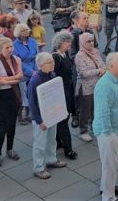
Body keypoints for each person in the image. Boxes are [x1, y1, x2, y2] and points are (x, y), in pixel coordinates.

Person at [93, 52, 118, 200]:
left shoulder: (115, 79)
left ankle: (107, 187)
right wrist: (110, 135)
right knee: (109, 166)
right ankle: (108, 197)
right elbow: (103, 112)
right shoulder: (105, 85)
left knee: (112, 165)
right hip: (109, 133)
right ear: (111, 66)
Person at [28, 52, 68, 180]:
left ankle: (51, 159)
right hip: (41, 118)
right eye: (50, 62)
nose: (53, 64)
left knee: (51, 139)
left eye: (53, 61)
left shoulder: (52, 74)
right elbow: (32, 103)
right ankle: (38, 168)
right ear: (40, 65)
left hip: (51, 114)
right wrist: (39, 121)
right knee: (40, 144)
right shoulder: (35, 80)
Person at [0, 37, 22, 167]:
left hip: (14, 94)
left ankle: (10, 149)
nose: (10, 50)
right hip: (1, 95)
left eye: (11, 47)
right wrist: (12, 79)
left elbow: (20, 77)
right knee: (2, 126)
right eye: (6, 48)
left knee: (12, 124)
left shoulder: (16, 59)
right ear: (0, 49)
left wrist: (6, 79)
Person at [51, 31, 78, 160]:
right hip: (60, 92)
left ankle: (58, 142)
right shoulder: (56, 57)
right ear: (60, 43)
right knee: (63, 120)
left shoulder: (64, 54)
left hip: (67, 90)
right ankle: (68, 149)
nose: (70, 44)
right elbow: (53, 77)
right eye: (67, 42)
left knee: (62, 120)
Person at [74, 33, 105, 142]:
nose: (91, 43)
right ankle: (83, 131)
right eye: (88, 41)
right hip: (86, 87)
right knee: (86, 109)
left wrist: (103, 69)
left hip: (98, 84)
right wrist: (98, 71)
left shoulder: (96, 51)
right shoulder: (80, 55)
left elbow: (102, 64)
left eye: (92, 40)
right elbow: (83, 73)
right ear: (82, 42)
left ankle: (94, 126)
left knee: (96, 107)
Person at [13, 23, 38, 124]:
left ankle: (32, 114)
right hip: (22, 71)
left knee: (33, 93)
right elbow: (17, 61)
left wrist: (36, 70)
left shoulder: (32, 41)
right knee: (24, 94)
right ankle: (23, 115)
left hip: (34, 68)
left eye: (27, 30)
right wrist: (30, 72)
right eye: (24, 30)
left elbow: (37, 56)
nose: (26, 32)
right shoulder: (14, 44)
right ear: (19, 32)